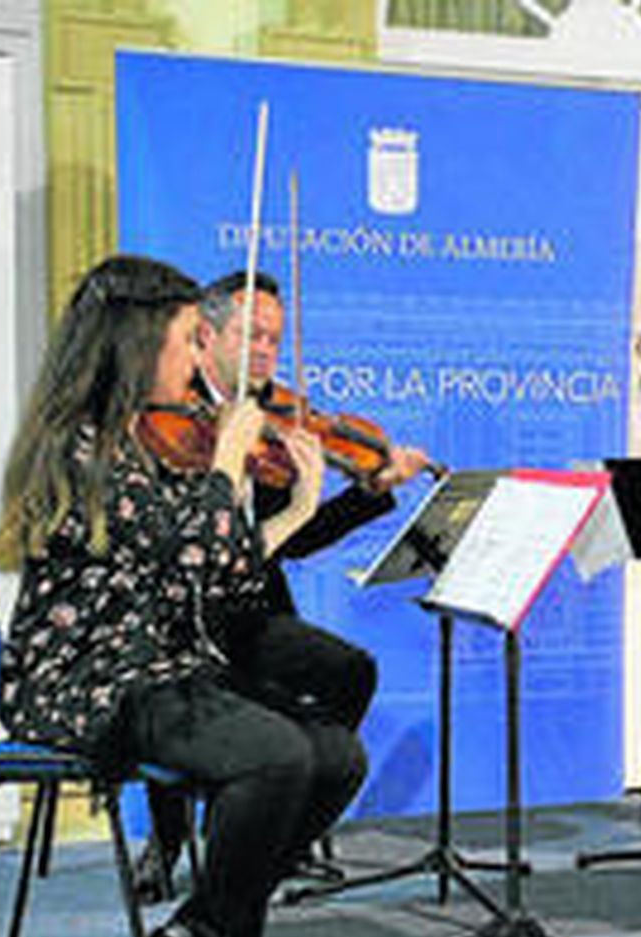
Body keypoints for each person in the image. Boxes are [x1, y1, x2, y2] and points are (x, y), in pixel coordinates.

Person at [132, 270, 429, 901]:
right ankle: (167, 842)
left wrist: (370, 489)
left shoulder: (273, 421)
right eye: (253, 335)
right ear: (206, 336)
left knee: (350, 672)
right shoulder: (170, 418)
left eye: (275, 338)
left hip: (248, 607)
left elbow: (294, 540)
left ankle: (274, 828)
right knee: (187, 680)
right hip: (180, 616)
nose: (266, 350)